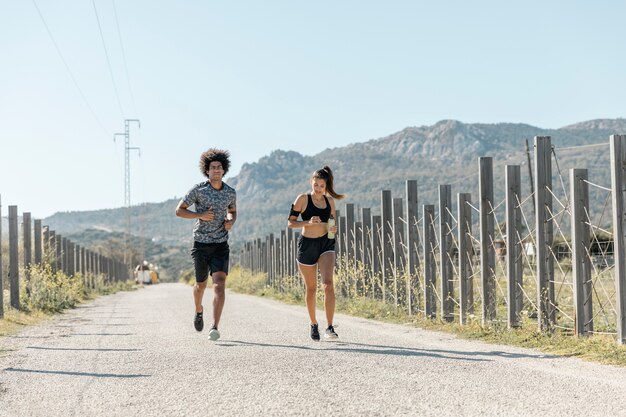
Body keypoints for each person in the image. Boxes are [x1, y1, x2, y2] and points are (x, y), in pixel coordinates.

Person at [175, 148, 237, 341]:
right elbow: (179, 210)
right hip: (201, 243)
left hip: (220, 244)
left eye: (219, 167)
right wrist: (199, 215)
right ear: (207, 171)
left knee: (219, 285)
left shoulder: (230, 192)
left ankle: (215, 326)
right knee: (201, 285)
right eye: (213, 167)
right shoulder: (198, 190)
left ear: (223, 170)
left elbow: (232, 211)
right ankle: (198, 309)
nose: (216, 170)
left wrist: (230, 221)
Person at [288, 166, 344, 341]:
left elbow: (333, 223)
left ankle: (329, 327)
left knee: (328, 284)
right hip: (307, 245)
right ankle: (313, 324)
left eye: (321, 185)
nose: (318, 188)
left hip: (326, 243)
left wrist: (332, 229)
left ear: (326, 186)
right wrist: (308, 222)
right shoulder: (303, 199)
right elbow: (290, 223)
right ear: (311, 182)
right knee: (311, 289)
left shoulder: (329, 201)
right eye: (316, 184)